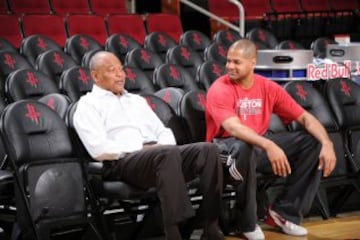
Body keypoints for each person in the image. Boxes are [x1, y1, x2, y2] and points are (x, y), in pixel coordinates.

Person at [73, 51, 224, 240]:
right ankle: (174, 233)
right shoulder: (87, 105)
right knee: (165, 154)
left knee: (208, 151)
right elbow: (99, 148)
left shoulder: (137, 101)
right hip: (123, 162)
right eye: (112, 70)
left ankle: (210, 226)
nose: (121, 75)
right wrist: (143, 148)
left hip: (162, 156)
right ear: (95, 76)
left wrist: (161, 146)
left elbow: (164, 132)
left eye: (121, 69)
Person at [205, 39, 336, 240]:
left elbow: (305, 118)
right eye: (228, 61)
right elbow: (233, 127)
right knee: (244, 148)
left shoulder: (268, 87)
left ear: (253, 63)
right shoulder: (219, 88)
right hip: (223, 150)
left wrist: (327, 143)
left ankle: (284, 213)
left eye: (236, 62)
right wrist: (268, 144)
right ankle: (246, 223)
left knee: (313, 143)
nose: (230, 66)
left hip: (254, 145)